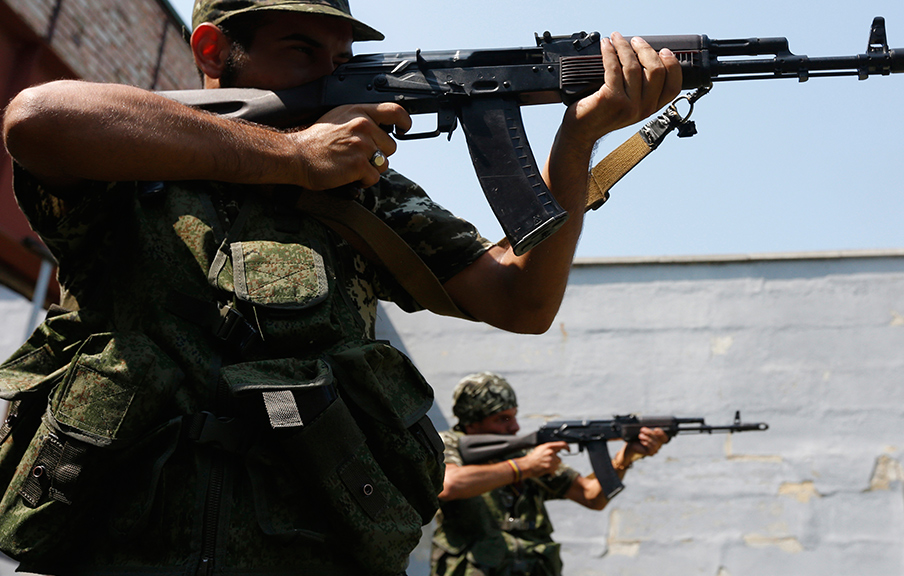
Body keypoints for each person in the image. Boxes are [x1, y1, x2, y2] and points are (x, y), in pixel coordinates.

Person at [0, 0, 682, 574]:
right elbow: (38, 117)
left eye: (342, 57)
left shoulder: (366, 192)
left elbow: (521, 301)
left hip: (306, 549)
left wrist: (576, 143)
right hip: (107, 543)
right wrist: (291, 157)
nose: (330, 73)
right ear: (213, 49)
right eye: (301, 50)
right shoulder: (129, 165)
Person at [432, 372, 669, 576]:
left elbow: (591, 496)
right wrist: (524, 467)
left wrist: (624, 458)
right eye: (502, 419)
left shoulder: (524, 453)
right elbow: (448, 484)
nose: (515, 427)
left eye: (513, 415)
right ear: (472, 422)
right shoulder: (448, 444)